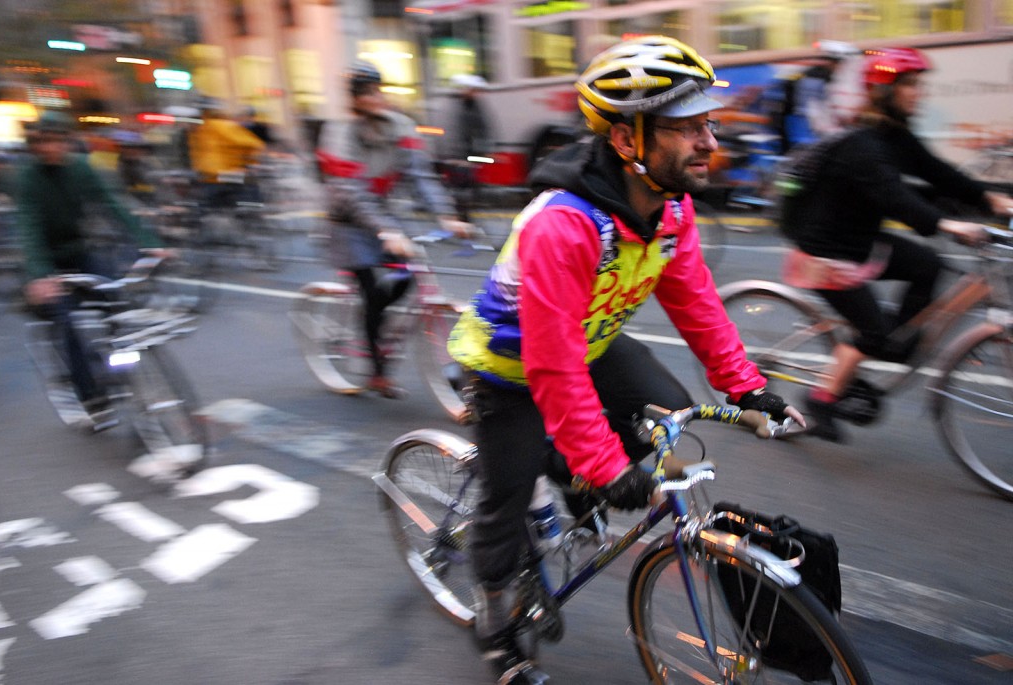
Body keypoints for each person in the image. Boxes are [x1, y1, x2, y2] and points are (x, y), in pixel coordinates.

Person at [446, 36, 804, 685]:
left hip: (590, 343)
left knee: (668, 419)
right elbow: (551, 368)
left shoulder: (671, 209)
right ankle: (496, 621)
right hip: (511, 366)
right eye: (685, 127)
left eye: (708, 122)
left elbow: (696, 302)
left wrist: (747, 388)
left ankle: (569, 466)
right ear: (625, 141)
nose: (708, 141)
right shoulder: (564, 225)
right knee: (506, 501)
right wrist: (602, 464)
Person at [780, 47, 1013, 442]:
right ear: (885, 91)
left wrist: (990, 198)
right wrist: (948, 225)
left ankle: (893, 339)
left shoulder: (895, 137)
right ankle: (822, 398)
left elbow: (940, 173)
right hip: (827, 253)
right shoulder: (863, 146)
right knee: (880, 338)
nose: (918, 93)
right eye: (909, 85)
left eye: (919, 85)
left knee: (929, 265)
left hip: (860, 241)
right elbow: (894, 198)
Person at [318, 60, 472, 398]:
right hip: (349, 224)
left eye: (376, 89)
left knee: (407, 279)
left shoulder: (401, 126)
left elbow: (421, 177)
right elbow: (351, 194)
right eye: (365, 92)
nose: (375, 97)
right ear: (354, 99)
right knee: (373, 293)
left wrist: (446, 216)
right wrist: (386, 230)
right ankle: (376, 371)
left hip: (384, 219)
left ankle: (382, 333)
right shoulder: (340, 133)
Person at [15, 111, 170, 427]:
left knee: (116, 300)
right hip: (48, 262)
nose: (52, 147)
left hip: (80, 251)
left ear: (67, 141)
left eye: (58, 140)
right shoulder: (28, 179)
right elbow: (29, 228)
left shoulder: (82, 169)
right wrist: (40, 275)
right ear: (36, 143)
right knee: (67, 321)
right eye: (44, 141)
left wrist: (147, 242)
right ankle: (90, 395)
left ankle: (121, 367)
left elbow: (113, 205)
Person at [188, 100, 266, 209]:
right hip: (217, 177)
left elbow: (252, 144)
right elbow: (253, 144)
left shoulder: (215, 126)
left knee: (208, 210)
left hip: (218, 177)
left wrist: (249, 164)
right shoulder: (200, 131)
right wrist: (250, 164)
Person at [443, 74, 494, 222]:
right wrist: (456, 157)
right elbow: (452, 131)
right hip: (458, 157)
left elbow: (484, 128)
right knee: (460, 188)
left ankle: (464, 217)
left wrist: (485, 150)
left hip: (470, 155)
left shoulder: (475, 105)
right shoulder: (454, 106)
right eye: (473, 90)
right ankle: (460, 219)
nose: (475, 93)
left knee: (471, 187)